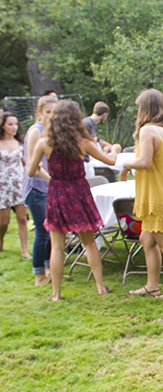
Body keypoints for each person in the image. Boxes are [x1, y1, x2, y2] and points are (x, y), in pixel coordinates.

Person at [27, 101, 120, 300]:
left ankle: (56, 293)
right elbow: (111, 161)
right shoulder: (83, 142)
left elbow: (30, 170)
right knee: (89, 243)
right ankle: (100, 287)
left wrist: (51, 178)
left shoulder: (44, 143)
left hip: (57, 193)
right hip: (78, 192)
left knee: (58, 246)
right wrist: (115, 149)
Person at [121, 88, 163, 300]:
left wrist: (125, 164)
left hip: (159, 199)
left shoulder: (148, 130)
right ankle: (152, 286)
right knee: (146, 240)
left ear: (145, 109)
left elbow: (145, 162)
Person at [23, 94, 59, 285]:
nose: (51, 115)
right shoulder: (36, 131)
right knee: (42, 233)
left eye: (54, 112)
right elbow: (33, 166)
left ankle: (49, 270)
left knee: (51, 231)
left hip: (48, 188)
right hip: (36, 188)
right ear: (39, 112)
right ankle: (39, 275)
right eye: (48, 112)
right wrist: (54, 180)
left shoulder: (51, 131)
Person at [0, 111, 31, 258]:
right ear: (3, 126)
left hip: (19, 184)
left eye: (16, 124)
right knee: (3, 222)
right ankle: (1, 239)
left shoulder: (20, 143)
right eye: (10, 124)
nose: (14, 127)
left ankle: (24, 250)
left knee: (22, 218)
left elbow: (27, 163)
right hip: (2, 186)